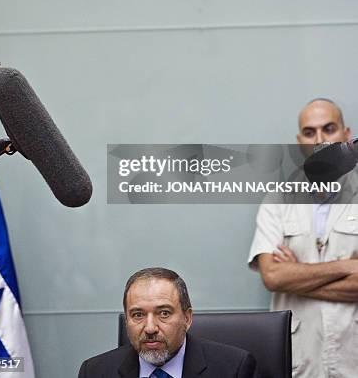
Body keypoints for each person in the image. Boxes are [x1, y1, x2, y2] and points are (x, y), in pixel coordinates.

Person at [248, 98, 358, 378]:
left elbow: (282, 279)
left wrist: (295, 276)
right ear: (300, 142)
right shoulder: (277, 199)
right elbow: (272, 277)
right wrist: (348, 266)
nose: (319, 139)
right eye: (309, 132)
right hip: (300, 360)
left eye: (329, 128)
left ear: (346, 135)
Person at [79, 267, 259, 377]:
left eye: (164, 313)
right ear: (127, 321)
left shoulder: (234, 369)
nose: (150, 328)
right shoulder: (95, 372)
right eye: (138, 315)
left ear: (187, 319)